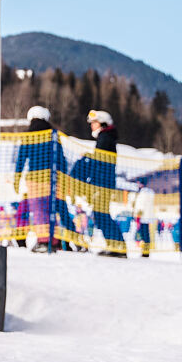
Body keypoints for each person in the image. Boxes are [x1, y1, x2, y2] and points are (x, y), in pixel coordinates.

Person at [12, 106, 76, 252]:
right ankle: (62, 240)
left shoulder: (29, 135)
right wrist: (64, 179)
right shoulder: (54, 135)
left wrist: (17, 178)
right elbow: (61, 159)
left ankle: (44, 241)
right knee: (54, 210)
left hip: (35, 179)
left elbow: (21, 158)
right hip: (54, 180)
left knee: (39, 210)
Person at [79, 109, 126, 257]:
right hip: (104, 181)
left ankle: (118, 246)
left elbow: (99, 162)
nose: (92, 125)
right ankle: (115, 245)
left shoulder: (105, 138)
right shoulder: (106, 138)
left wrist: (89, 162)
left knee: (101, 214)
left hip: (102, 182)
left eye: (94, 122)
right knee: (101, 214)